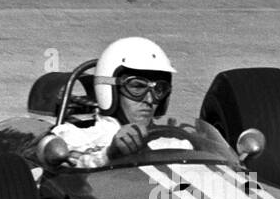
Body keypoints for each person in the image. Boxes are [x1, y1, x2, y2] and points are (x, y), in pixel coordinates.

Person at [44, 37, 181, 168]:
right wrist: (110, 153)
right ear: (111, 90)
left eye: (159, 89)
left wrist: (199, 143)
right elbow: (72, 169)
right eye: (137, 87)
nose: (150, 100)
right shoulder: (76, 136)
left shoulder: (172, 141)